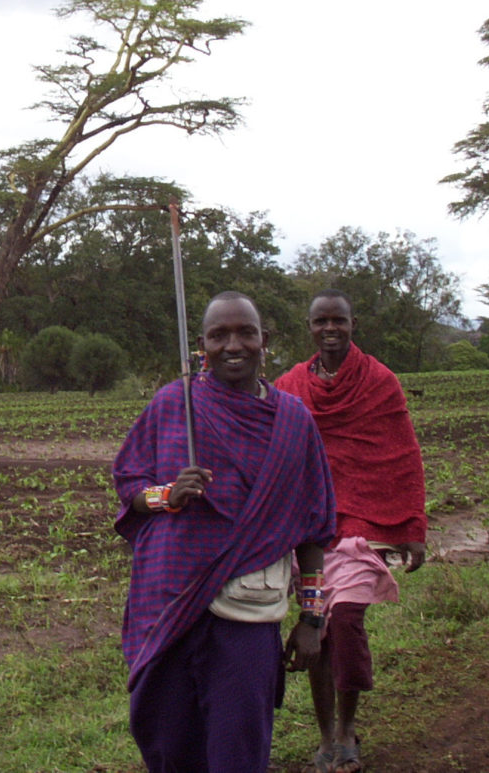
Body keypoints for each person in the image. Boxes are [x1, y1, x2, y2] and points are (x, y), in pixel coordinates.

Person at [114, 291, 337, 773]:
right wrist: (166, 495)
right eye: (219, 335)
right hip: (169, 601)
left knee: (239, 745)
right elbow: (129, 485)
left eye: (245, 333)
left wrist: (312, 619)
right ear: (202, 345)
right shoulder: (174, 403)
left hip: (247, 614)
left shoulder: (294, 423)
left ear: (265, 341)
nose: (232, 345)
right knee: (166, 739)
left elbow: (314, 526)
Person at [273, 289, 428, 773]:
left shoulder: (380, 381)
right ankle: (324, 737)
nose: (330, 329)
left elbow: (402, 453)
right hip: (311, 527)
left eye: (338, 320)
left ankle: (347, 727)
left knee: (345, 620)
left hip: (362, 525)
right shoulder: (291, 385)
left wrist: (412, 525)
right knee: (314, 625)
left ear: (352, 323)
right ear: (310, 327)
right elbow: (269, 444)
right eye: (321, 321)